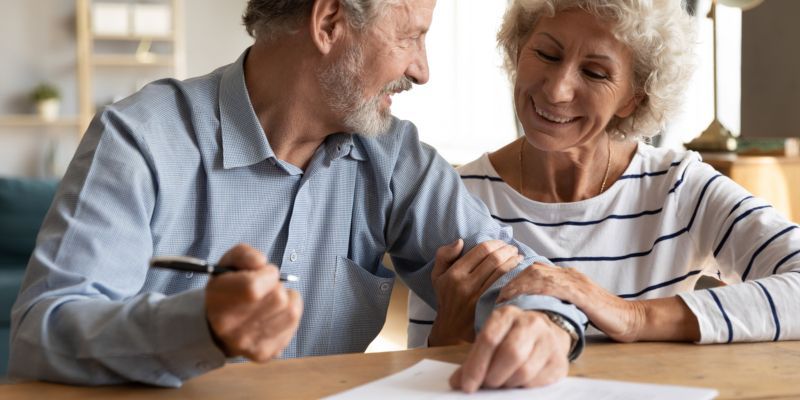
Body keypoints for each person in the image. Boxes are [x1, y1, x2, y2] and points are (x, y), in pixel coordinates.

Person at [8, 0, 588, 392]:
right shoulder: (142, 138)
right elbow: (43, 332)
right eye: (410, 36)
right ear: (330, 20)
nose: (423, 70)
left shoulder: (392, 154)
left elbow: (517, 269)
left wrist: (547, 325)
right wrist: (200, 327)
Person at [409, 0, 800, 348]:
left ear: (634, 98)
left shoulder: (679, 189)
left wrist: (632, 316)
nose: (558, 90)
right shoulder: (456, 197)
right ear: (518, 48)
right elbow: (418, 379)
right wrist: (452, 334)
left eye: (595, 73)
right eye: (546, 54)